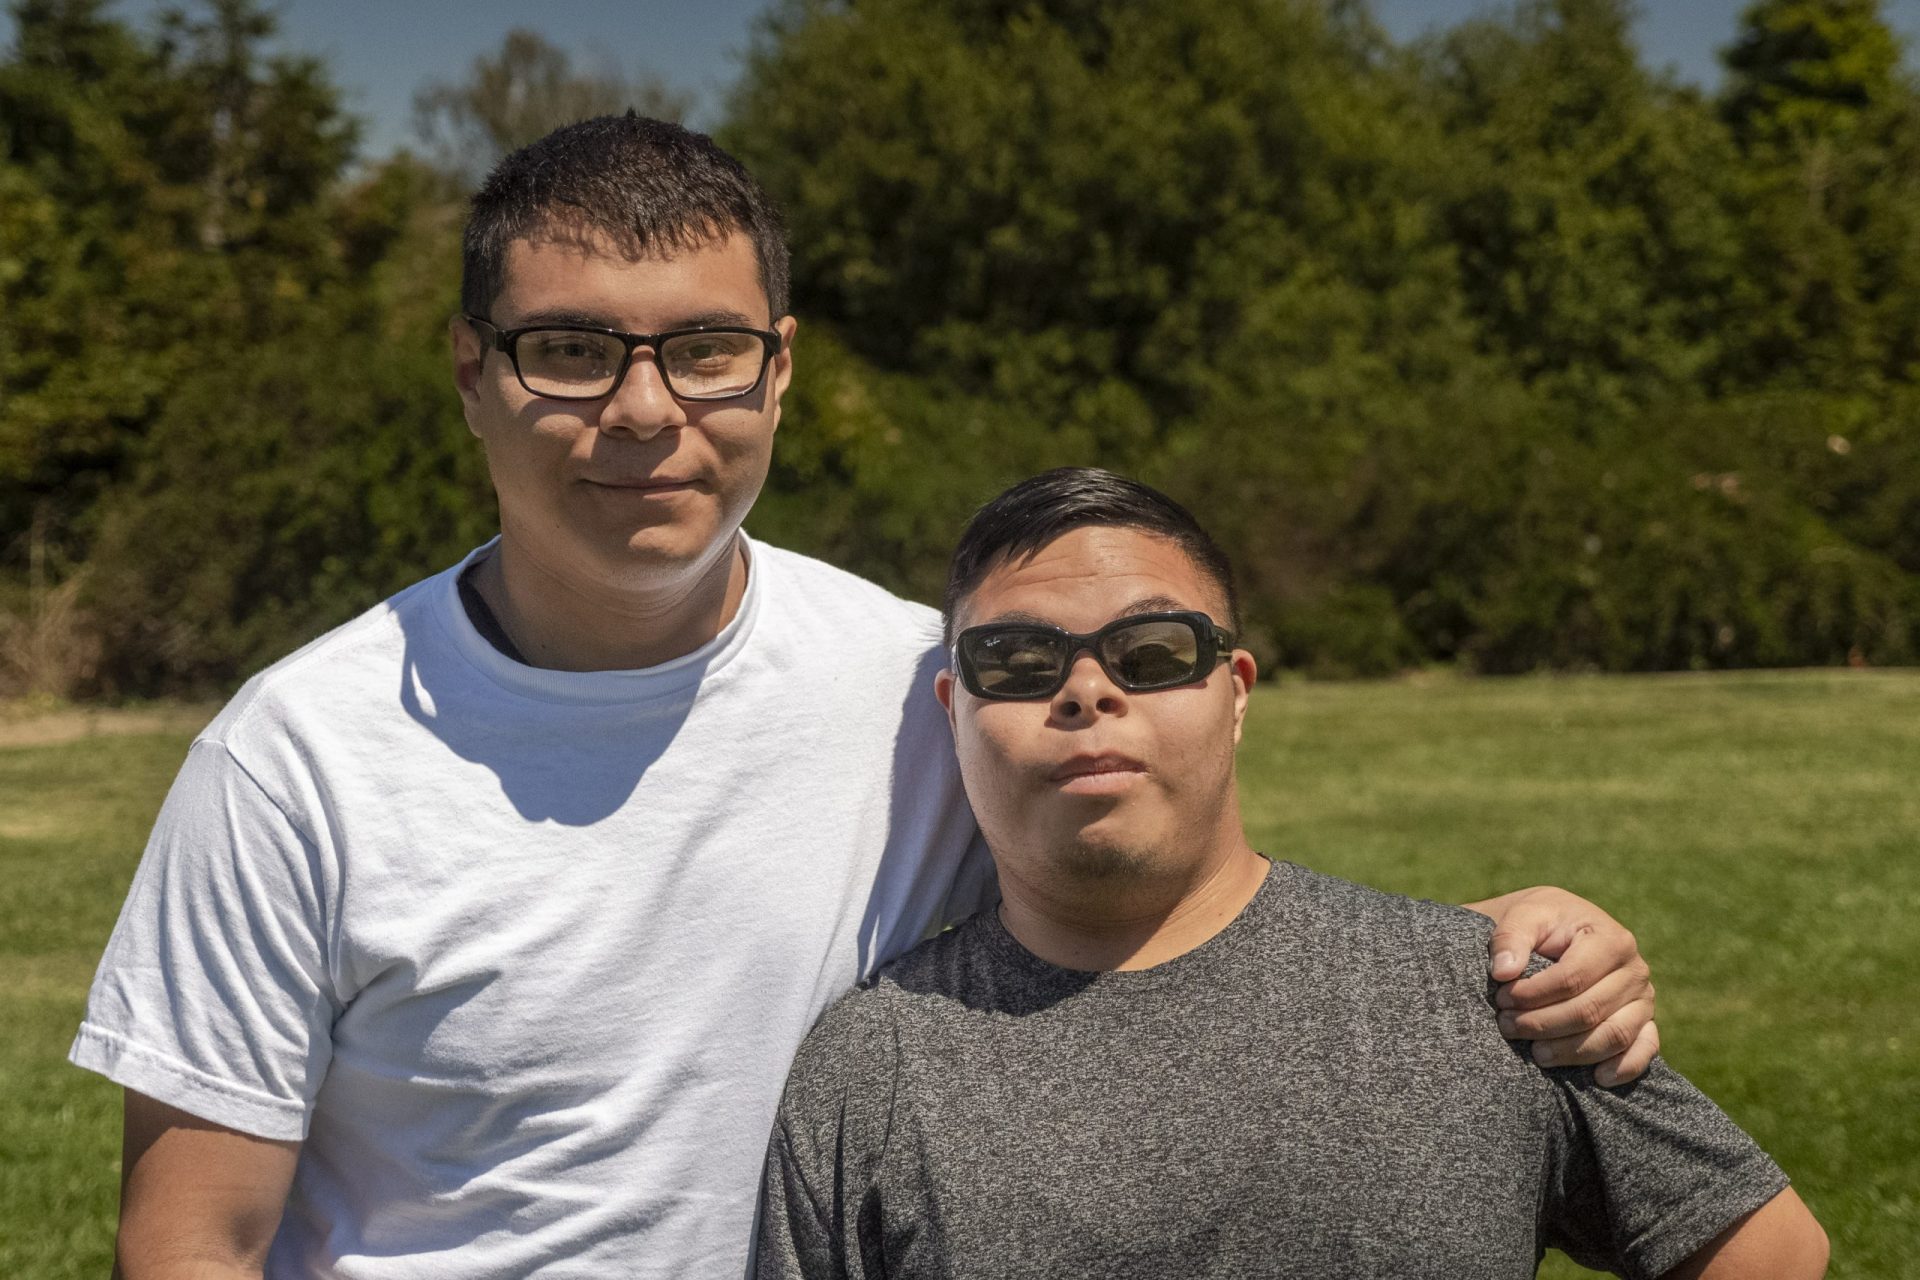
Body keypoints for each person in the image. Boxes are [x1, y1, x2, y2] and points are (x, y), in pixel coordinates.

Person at [75, 117, 1655, 1279]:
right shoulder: (300, 756)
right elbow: (196, 1238)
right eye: (568, 350)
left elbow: (1192, 909)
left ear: (778, 372)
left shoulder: (928, 681)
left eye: (702, 350)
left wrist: (1489, 955)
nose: (642, 411)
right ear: (473, 371)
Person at [755, 467, 1828, 1280]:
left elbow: (1772, 1252)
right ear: (956, 709)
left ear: (1236, 690)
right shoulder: (870, 1065)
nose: (1087, 689)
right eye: (1020, 661)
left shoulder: (1486, 992)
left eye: (1154, 651)